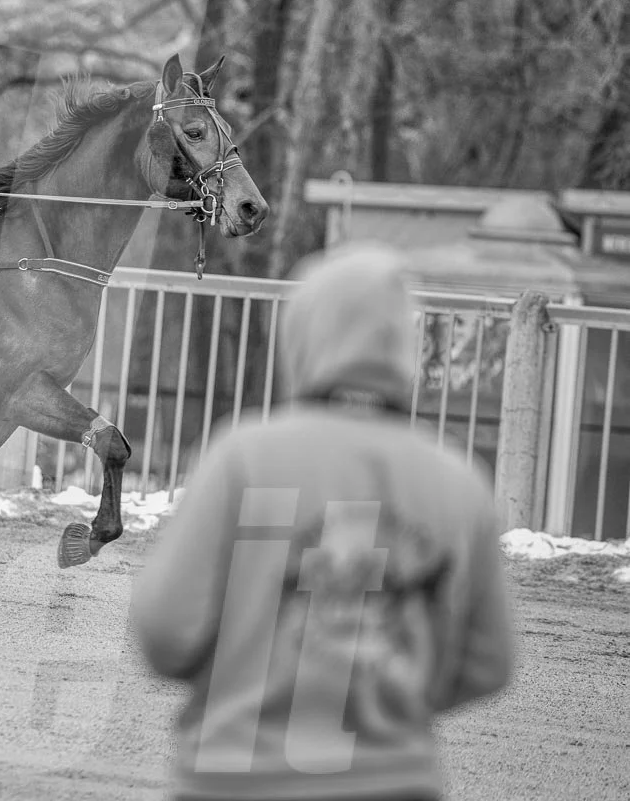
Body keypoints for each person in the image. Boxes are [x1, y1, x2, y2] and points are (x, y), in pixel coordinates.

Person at [132, 242, 515, 801]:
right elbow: (488, 663)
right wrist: (394, 694)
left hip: (233, 777)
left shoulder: (244, 456)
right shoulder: (459, 480)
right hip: (396, 783)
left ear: (302, 336)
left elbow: (165, 632)